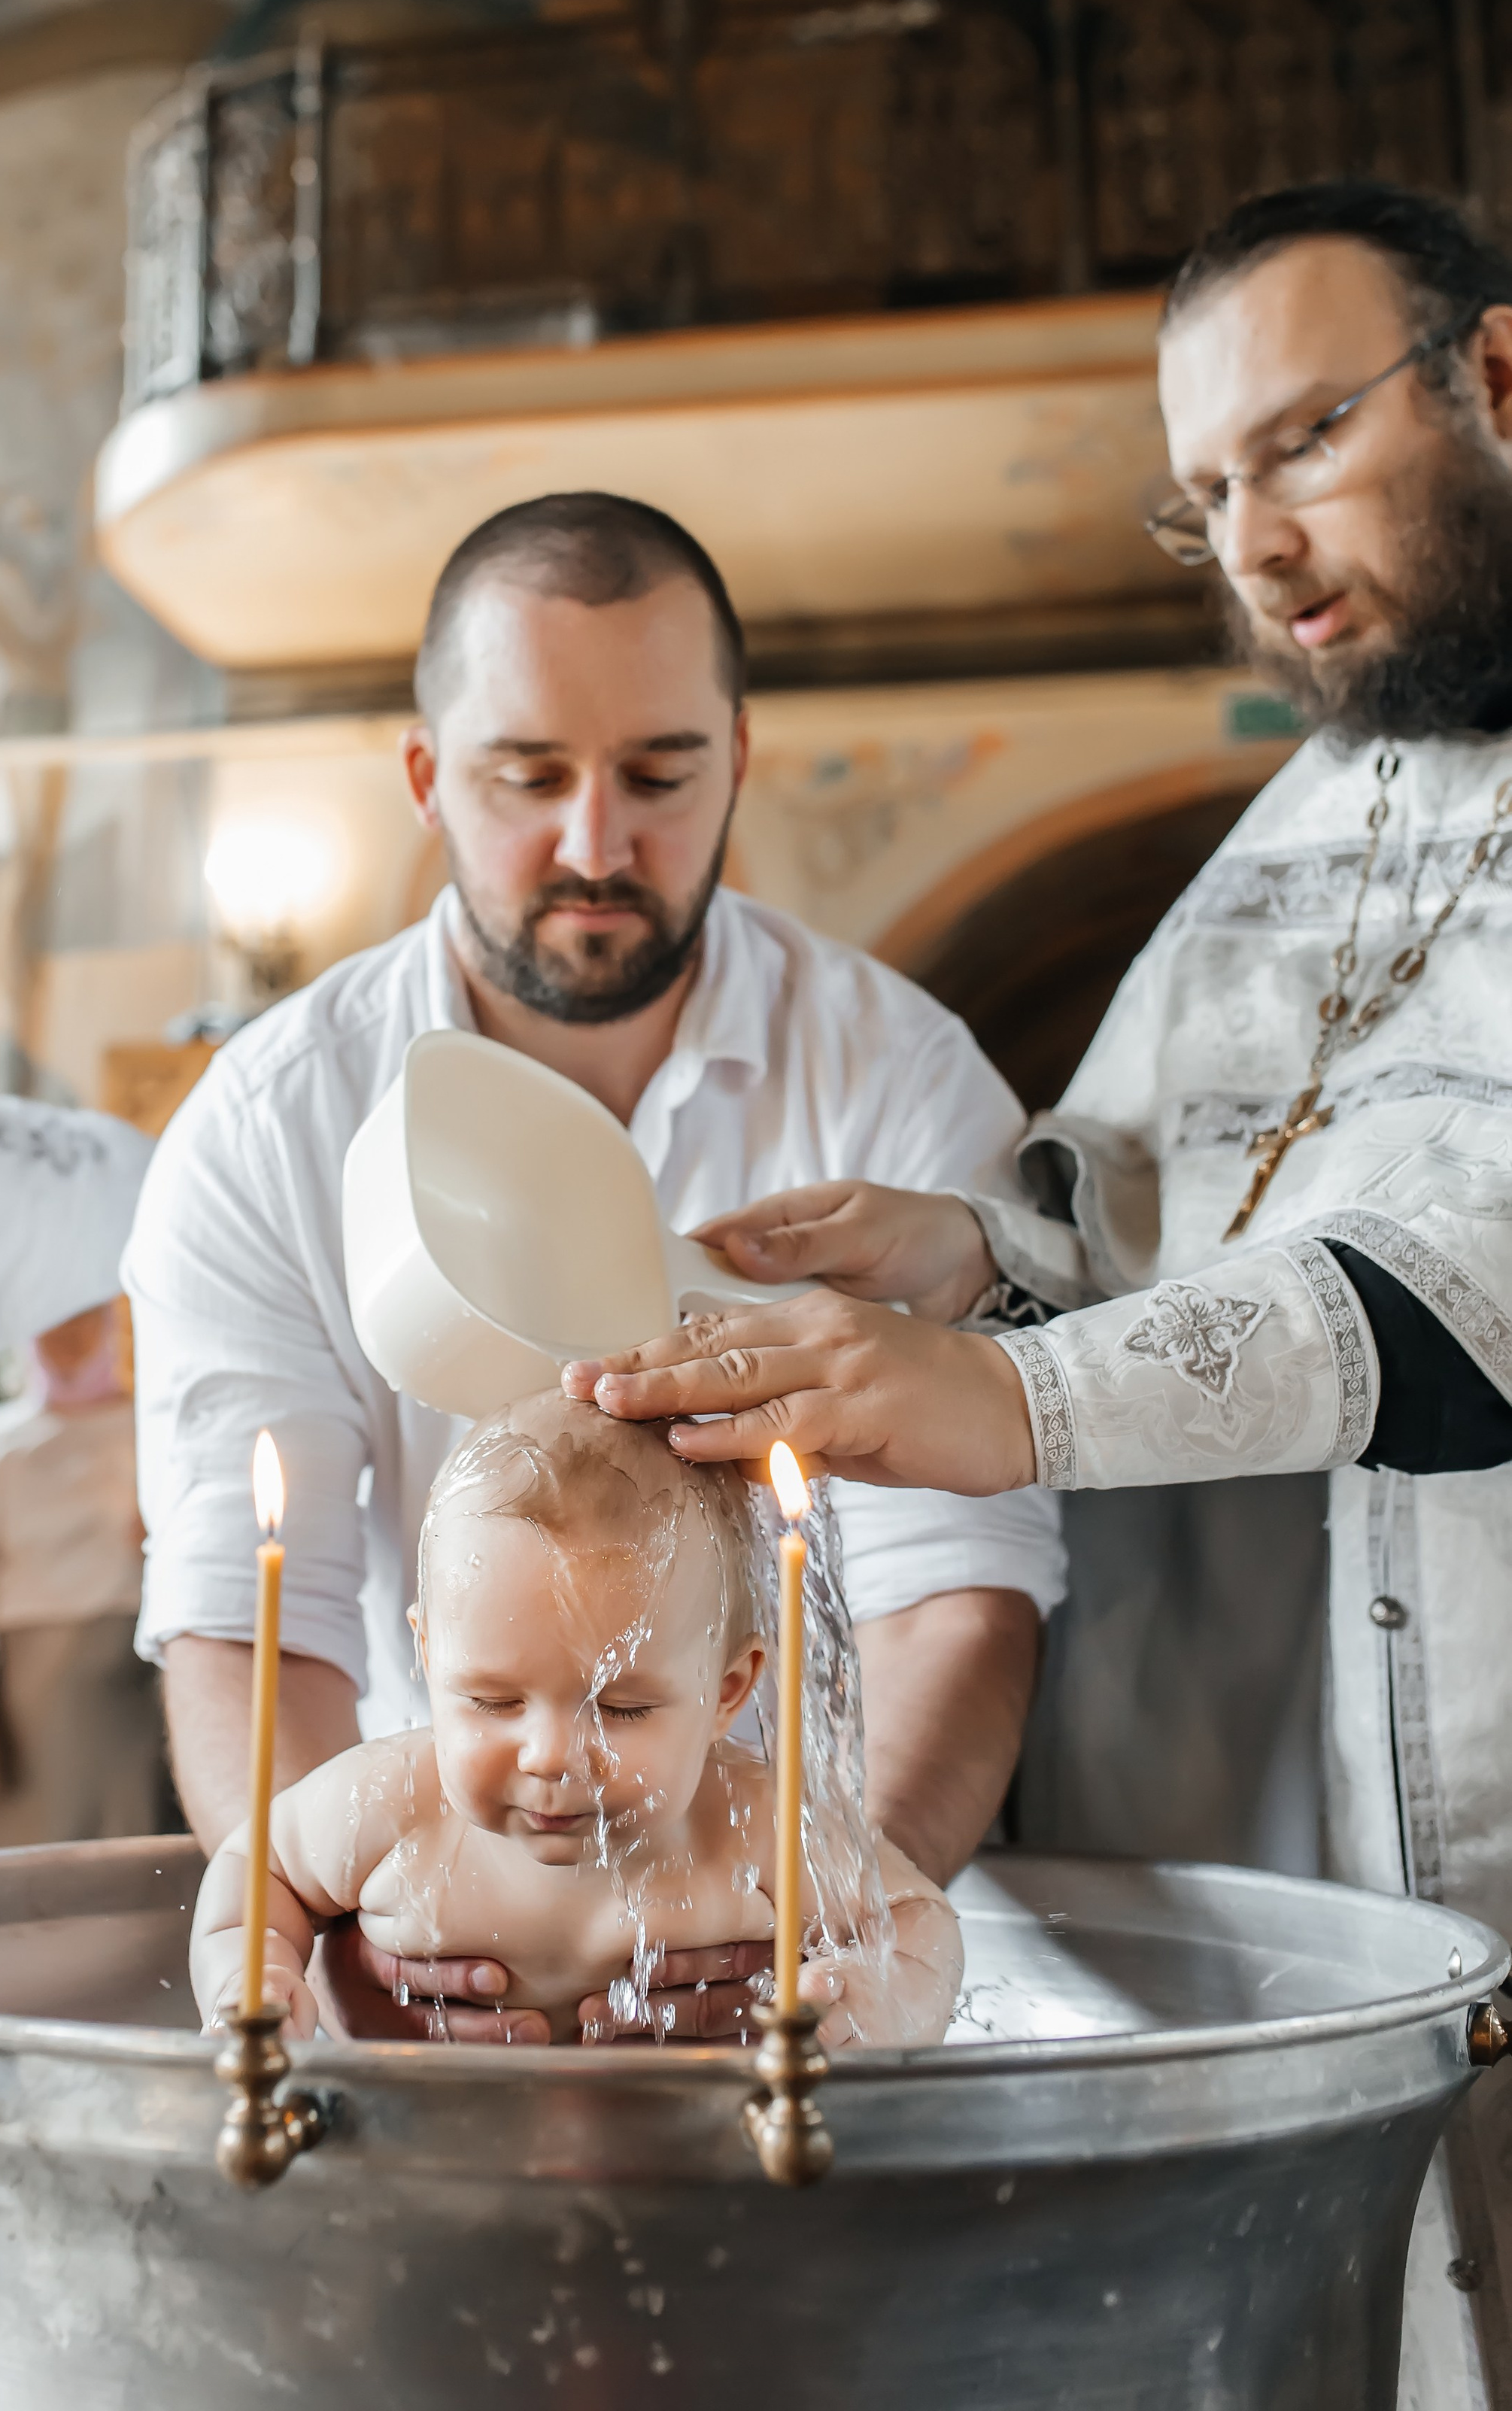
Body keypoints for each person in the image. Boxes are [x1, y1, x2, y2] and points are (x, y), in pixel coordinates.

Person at [562, 181, 1512, 2408]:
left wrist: (1004, 1400)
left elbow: (1459, 1286)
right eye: (1204, 495)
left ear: (1492, 374)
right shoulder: (1327, 799)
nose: (1256, 545)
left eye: (1297, 438)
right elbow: (1172, 1187)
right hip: (1277, 1831)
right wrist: (977, 1251)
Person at [125, 490, 1066, 2045]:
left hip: (767, 1938)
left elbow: (952, 1595)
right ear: (427, 777)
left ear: (737, 762)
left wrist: (815, 1933)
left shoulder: (899, 1082)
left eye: (656, 773)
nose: (593, 842)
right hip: (427, 1923)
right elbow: (254, 1602)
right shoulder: (262, 1127)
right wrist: (349, 1931)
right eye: (527, 777)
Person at [190, 1390, 961, 2051]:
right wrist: (256, 1972)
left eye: (622, 1709)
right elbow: (257, 1867)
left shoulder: (753, 1821)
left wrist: (878, 2001)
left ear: (727, 1691)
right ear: (427, 1655)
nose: (551, 1755)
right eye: (492, 1701)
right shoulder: (389, 1804)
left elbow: (917, 1919)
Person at [0, 1298, 163, 1846]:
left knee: (137, 1834)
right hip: (36, 1695)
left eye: (81, 1316)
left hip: (137, 1675)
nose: (64, 1336)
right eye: (47, 1321)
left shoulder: (153, 1429)